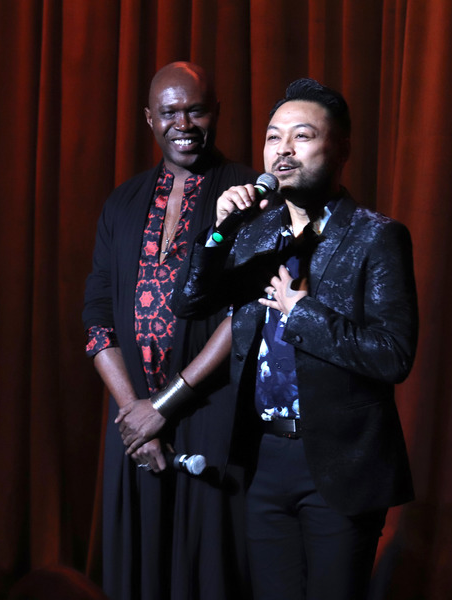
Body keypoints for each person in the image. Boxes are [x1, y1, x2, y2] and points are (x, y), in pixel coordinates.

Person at [172, 78, 418, 600]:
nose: (283, 150)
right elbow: (190, 303)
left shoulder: (377, 236)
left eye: (302, 136)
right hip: (263, 457)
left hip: (340, 461)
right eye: (273, 137)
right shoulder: (255, 233)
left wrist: (302, 312)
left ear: (341, 149)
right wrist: (219, 229)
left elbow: (393, 355)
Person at [82, 62, 256, 599]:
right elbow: (96, 316)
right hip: (134, 427)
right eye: (169, 112)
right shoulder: (122, 201)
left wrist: (165, 405)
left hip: (211, 415)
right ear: (149, 119)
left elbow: (247, 312)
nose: (184, 124)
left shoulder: (247, 195)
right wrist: (136, 413)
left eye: (196, 110)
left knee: (207, 575)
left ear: (216, 113)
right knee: (138, 574)